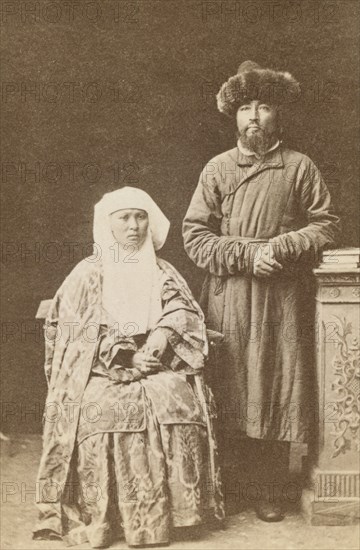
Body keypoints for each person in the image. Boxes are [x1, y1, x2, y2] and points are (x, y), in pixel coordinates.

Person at [182, 61, 340, 521]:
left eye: (264, 107)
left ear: (278, 116)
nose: (253, 117)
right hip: (229, 296)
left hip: (280, 298)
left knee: (275, 382)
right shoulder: (217, 170)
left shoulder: (299, 167)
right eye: (245, 108)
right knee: (231, 381)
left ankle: (271, 489)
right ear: (233, 115)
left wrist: (285, 247)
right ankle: (229, 486)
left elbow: (327, 225)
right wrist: (247, 255)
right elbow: (195, 235)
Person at [33, 187, 224, 548]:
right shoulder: (88, 274)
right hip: (102, 367)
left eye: (141, 217)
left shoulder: (162, 270)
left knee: (176, 398)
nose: (134, 226)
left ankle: (181, 515)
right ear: (108, 226)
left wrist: (164, 334)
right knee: (105, 410)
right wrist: (124, 353)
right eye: (125, 218)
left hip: (159, 360)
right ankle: (111, 520)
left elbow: (183, 309)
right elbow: (77, 327)